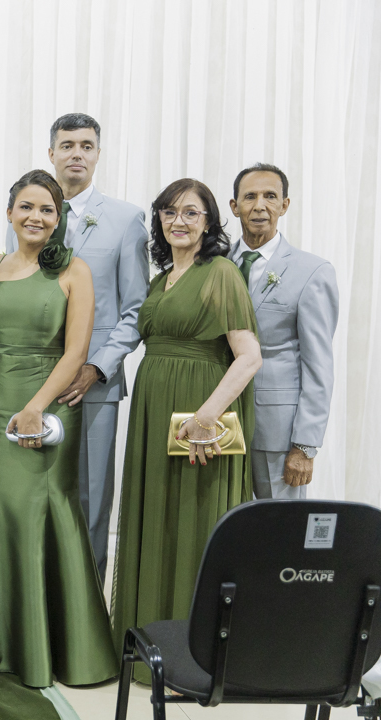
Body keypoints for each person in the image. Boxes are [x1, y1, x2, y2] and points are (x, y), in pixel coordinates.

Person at [0, 170, 116, 686]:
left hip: (47, 403)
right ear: (9, 213)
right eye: (26, 207)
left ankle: (50, 648)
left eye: (46, 209)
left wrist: (37, 406)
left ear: (58, 218)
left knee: (40, 505)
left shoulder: (75, 270)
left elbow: (77, 351)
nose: (35, 217)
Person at [110, 178, 262, 680]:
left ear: (209, 222)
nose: (179, 221)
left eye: (191, 213)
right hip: (155, 414)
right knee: (159, 521)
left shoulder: (221, 273)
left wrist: (205, 418)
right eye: (169, 212)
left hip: (199, 416)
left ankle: (194, 662)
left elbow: (248, 357)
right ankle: (153, 647)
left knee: (193, 524)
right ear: (158, 219)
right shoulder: (160, 280)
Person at [6, 113, 149, 584]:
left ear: (98, 155)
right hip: (31, 382)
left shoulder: (126, 220)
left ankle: (87, 607)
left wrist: (97, 367)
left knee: (88, 499)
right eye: (67, 145)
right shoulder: (27, 213)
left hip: (92, 385)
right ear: (51, 153)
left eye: (86, 146)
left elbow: (136, 310)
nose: (76, 154)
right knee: (33, 492)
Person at [228, 163, 338, 499]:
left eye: (270, 196)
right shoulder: (214, 264)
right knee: (221, 523)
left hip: (277, 433)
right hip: (218, 422)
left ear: (284, 205)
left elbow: (318, 366)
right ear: (234, 206)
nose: (259, 205)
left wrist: (305, 445)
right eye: (250, 196)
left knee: (278, 526)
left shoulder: (312, 271)